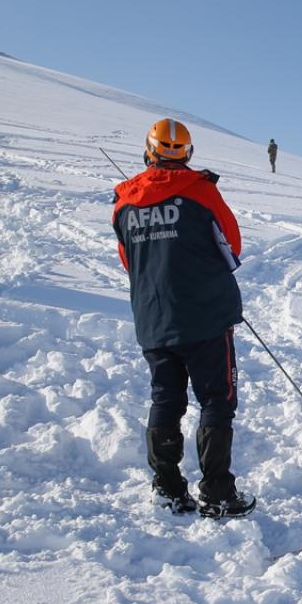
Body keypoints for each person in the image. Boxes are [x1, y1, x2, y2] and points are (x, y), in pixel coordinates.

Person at [111, 118, 254, 518]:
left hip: (154, 319)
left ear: (148, 150)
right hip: (206, 317)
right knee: (216, 400)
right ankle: (217, 492)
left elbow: (129, 262)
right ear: (187, 153)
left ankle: (168, 487)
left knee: (165, 398)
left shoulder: (124, 203)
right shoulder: (200, 191)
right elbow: (232, 246)